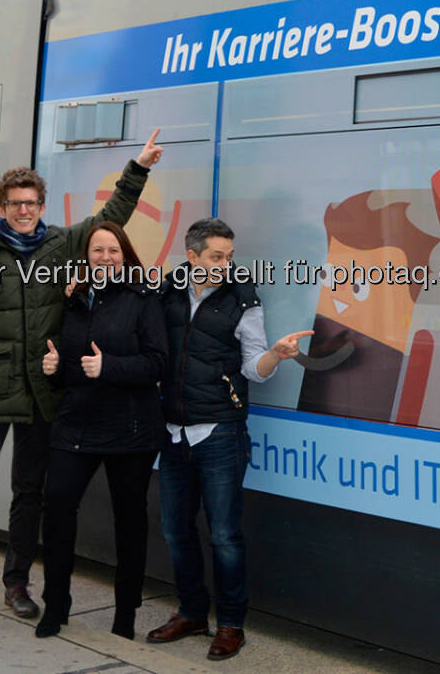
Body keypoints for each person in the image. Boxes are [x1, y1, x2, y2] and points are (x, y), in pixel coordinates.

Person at [0, 131, 163, 634]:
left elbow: (110, 217)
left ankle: (17, 584)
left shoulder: (60, 245)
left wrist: (138, 168)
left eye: (31, 203)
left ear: (42, 205)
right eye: (15, 204)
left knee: (30, 493)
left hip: (41, 394)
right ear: (2, 206)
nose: (24, 211)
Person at [146, 218, 312, 661]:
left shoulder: (243, 297)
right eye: (217, 256)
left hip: (220, 431)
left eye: (229, 256)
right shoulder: (168, 290)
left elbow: (253, 363)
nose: (225, 264)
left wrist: (275, 355)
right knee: (174, 529)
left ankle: (232, 625)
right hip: (173, 431)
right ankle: (192, 613)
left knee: (224, 534)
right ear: (193, 255)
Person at [34, 221, 167, 641]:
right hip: (76, 424)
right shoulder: (73, 299)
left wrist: (111, 367)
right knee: (56, 509)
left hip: (130, 429)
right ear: (86, 257)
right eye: (97, 251)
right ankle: (56, 605)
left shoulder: (143, 299)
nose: (105, 257)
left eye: (113, 250)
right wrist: (54, 371)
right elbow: (73, 364)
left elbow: (158, 363)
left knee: (129, 521)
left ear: (125, 255)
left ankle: (124, 614)